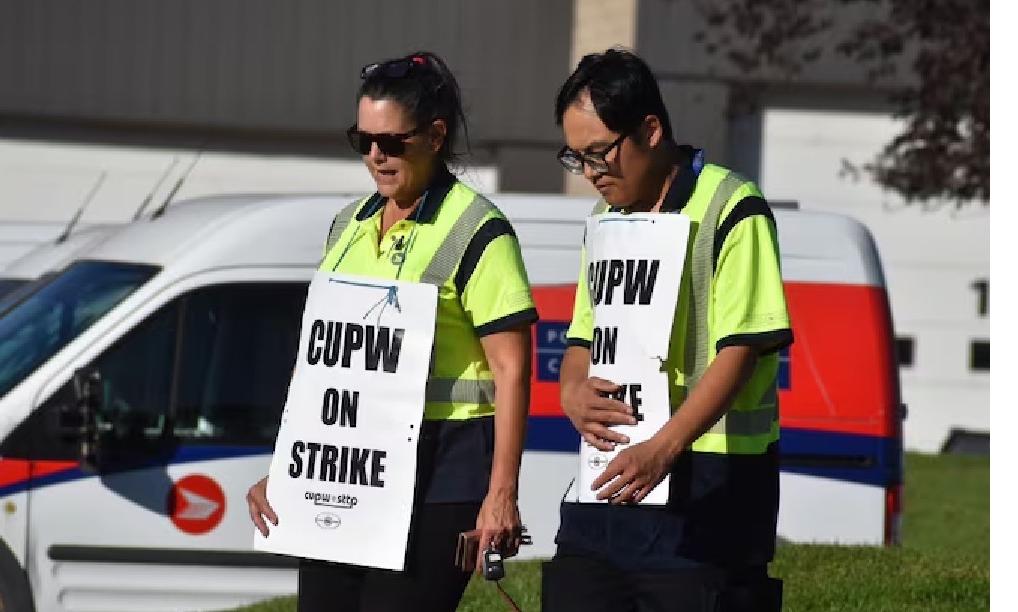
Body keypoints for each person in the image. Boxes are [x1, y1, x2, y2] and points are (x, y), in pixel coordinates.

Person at [246, 50, 538, 612]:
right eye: (364, 141)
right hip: (349, 468)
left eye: (392, 142)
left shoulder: (479, 231)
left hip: (442, 476)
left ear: (434, 135)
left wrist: (501, 494)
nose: (376, 156)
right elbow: (321, 368)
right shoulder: (347, 226)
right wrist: (286, 470)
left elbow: (512, 368)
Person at [541, 47, 793, 612]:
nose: (589, 174)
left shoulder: (733, 207)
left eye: (600, 154)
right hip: (611, 480)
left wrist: (665, 447)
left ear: (650, 130)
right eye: (576, 157)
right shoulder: (606, 221)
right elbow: (582, 335)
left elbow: (743, 346)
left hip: (713, 489)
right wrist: (571, 391)